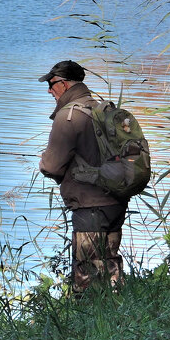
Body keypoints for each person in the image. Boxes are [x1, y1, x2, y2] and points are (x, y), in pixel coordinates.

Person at [38, 60, 127, 295]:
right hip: (116, 202)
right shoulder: (103, 109)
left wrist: (44, 161)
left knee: (86, 270)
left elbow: (52, 166)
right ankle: (118, 313)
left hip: (90, 205)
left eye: (51, 84)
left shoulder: (69, 115)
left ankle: (84, 322)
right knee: (110, 264)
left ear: (64, 84)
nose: (49, 90)